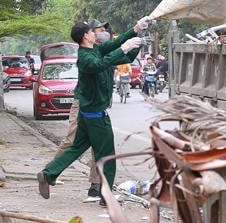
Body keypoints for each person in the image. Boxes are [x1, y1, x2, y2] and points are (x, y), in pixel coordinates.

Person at [38, 18, 147, 205]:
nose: (94, 33)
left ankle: (48, 174)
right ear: (85, 37)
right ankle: (106, 197)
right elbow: (101, 64)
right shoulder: (86, 58)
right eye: (91, 32)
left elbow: (113, 47)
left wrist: (135, 30)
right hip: (96, 116)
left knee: (76, 147)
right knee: (107, 157)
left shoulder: (93, 50)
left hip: (87, 114)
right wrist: (125, 48)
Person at [48, 21, 112, 201]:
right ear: (88, 34)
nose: (102, 33)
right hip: (83, 104)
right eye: (98, 30)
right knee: (73, 142)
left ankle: (96, 185)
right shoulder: (88, 54)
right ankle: (50, 173)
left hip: (98, 106)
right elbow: (98, 66)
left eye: (104, 30)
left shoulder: (101, 49)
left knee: (98, 149)